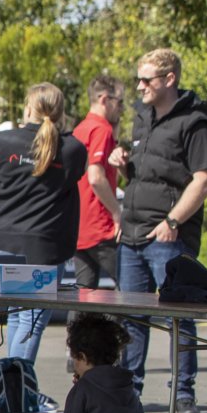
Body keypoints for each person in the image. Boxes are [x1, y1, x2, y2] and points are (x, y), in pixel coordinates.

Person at [116, 48, 207, 413]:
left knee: (179, 315)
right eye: (138, 79)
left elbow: (204, 180)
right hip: (132, 234)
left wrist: (172, 222)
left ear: (169, 79)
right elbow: (145, 175)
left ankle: (184, 392)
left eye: (147, 80)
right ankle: (129, 393)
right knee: (132, 317)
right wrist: (122, 164)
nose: (139, 86)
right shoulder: (142, 117)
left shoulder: (195, 121)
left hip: (168, 236)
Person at [0, 83, 87, 370]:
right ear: (61, 112)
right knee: (30, 318)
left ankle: (13, 379)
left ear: (28, 108)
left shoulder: (2, 141)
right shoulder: (73, 149)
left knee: (17, 314)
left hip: (3, 241)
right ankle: (16, 382)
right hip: (45, 246)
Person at [72, 76, 126, 292]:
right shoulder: (101, 129)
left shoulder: (80, 128)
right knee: (134, 289)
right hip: (101, 226)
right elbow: (95, 176)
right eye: (120, 102)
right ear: (104, 99)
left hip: (80, 228)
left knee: (84, 295)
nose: (122, 109)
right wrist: (117, 213)